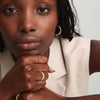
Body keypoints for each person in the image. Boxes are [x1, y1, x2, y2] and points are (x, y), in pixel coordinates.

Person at [0, 0, 100, 100]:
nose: (27, 26)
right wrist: (4, 90)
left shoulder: (80, 52)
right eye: (10, 10)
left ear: (58, 15)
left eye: (42, 10)